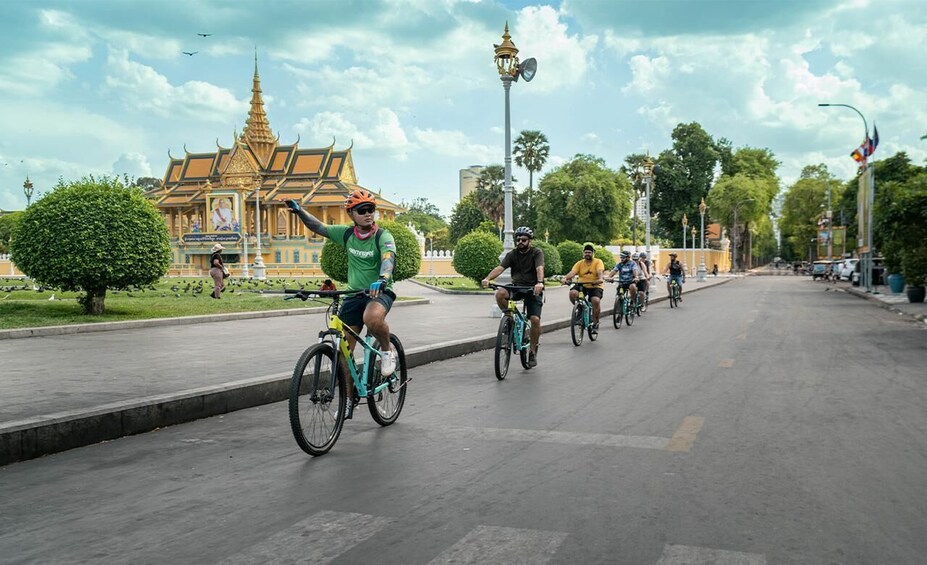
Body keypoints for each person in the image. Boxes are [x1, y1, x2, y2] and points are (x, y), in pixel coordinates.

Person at [286, 190, 397, 418]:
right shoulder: (346, 235)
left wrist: (383, 279)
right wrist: (299, 211)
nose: (368, 214)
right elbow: (319, 227)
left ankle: (387, 350)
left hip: (379, 291)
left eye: (371, 210)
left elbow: (388, 259)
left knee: (372, 319)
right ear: (351, 214)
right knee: (343, 352)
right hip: (353, 294)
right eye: (362, 211)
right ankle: (348, 399)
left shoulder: (383, 236)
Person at [481, 226, 544, 367]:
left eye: (524, 240)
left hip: (533, 288)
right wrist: (487, 278)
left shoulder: (536, 252)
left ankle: (533, 351)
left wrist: (539, 283)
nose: (520, 242)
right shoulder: (512, 255)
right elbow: (500, 268)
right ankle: (510, 319)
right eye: (518, 239)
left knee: (534, 319)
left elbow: (540, 268)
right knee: (500, 294)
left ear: (530, 241)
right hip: (517, 286)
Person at [562, 242, 604, 330]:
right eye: (586, 252)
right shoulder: (579, 263)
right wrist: (565, 278)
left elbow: (600, 272)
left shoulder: (598, 262)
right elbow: (572, 272)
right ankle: (580, 308)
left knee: (595, 300)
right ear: (583, 253)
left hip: (595, 285)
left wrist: (599, 279)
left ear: (593, 253)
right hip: (582, 285)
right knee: (572, 293)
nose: (587, 254)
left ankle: (596, 321)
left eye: (589, 252)